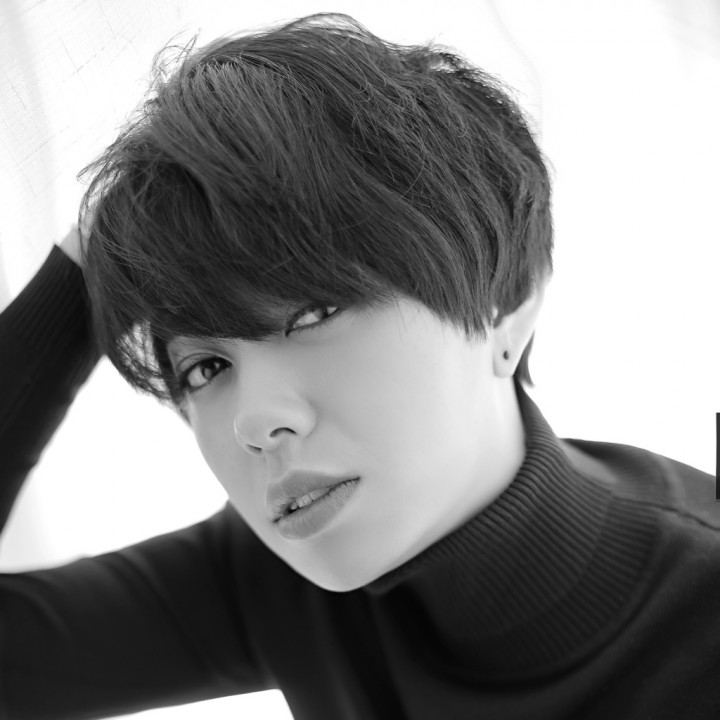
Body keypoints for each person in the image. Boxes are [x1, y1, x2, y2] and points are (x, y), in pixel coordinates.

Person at [1, 12, 718, 720]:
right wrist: (89, 263)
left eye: (312, 314)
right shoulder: (274, 580)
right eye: (206, 368)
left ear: (506, 306)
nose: (255, 421)